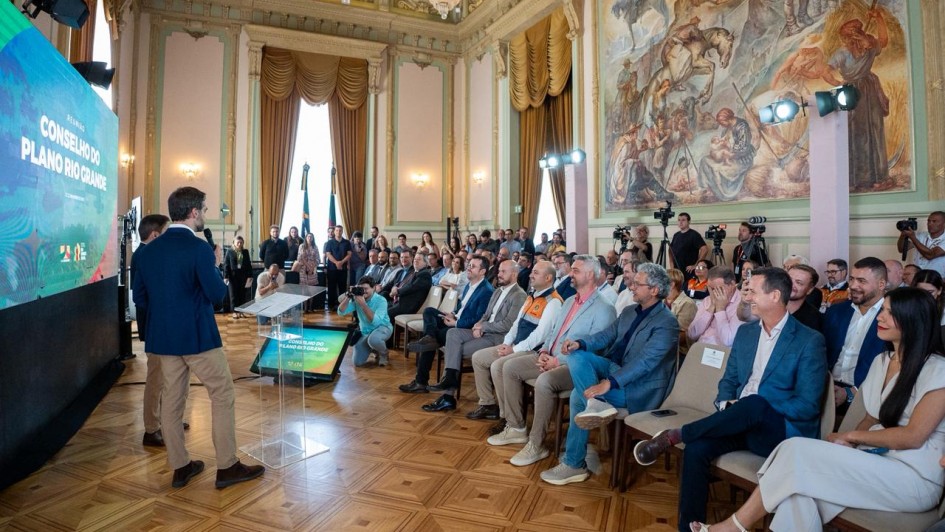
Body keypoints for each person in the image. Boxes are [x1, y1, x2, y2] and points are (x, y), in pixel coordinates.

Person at [691, 287, 945, 532]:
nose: (880, 317)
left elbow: (913, 436)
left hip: (913, 476)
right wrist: (851, 447)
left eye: (890, 312)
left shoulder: (938, 370)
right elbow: (870, 417)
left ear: (913, 320)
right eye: (883, 310)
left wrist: (850, 437)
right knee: (798, 495)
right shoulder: (882, 361)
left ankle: (734, 526)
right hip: (874, 461)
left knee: (795, 449)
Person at [633, 267, 826, 530]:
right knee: (697, 450)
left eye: (753, 292)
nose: (746, 299)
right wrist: (726, 404)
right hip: (738, 421)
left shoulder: (809, 340)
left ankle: (677, 434)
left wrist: (756, 406)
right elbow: (729, 381)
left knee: (755, 402)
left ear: (775, 296)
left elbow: (808, 405)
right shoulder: (747, 333)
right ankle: (690, 527)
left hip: (780, 431)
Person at [132, 186, 264, 489]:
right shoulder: (199, 248)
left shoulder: (148, 251)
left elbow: (140, 296)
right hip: (197, 337)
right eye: (204, 209)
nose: (205, 214)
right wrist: (215, 265)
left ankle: (181, 466)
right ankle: (228, 466)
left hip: (163, 339)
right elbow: (217, 295)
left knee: (172, 401)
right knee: (222, 393)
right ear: (193, 213)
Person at [539, 263, 680, 485]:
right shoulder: (629, 311)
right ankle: (596, 404)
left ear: (654, 290)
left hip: (639, 387)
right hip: (615, 370)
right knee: (577, 355)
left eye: (637, 284)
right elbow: (605, 336)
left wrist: (609, 384)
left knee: (578, 395)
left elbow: (645, 364)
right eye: (632, 283)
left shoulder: (667, 323)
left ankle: (574, 464)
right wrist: (580, 343)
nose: (631, 287)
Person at [487, 255, 617, 467]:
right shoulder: (568, 301)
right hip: (550, 356)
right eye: (571, 270)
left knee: (545, 382)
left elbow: (598, 349)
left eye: (575, 271)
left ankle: (536, 444)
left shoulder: (604, 307)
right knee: (509, 367)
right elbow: (553, 333)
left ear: (590, 275)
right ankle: (516, 427)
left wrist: (558, 361)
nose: (569, 274)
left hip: (574, 366)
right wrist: (545, 351)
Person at [422, 260, 527, 412]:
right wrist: (478, 325)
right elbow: (486, 314)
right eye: (499, 271)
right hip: (483, 331)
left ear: (514, 274)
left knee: (454, 350)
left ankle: (448, 395)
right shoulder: (498, 291)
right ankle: (449, 387)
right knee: (452, 334)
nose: (499, 274)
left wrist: (483, 326)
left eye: (503, 271)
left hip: (498, 338)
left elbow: (508, 325)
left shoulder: (519, 295)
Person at [468, 260, 563, 422]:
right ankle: (488, 404)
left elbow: (540, 335)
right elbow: (516, 324)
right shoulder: (531, 296)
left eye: (536, 273)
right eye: (532, 272)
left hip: (533, 351)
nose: (531, 275)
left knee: (499, 366)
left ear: (548, 278)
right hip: (516, 345)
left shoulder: (553, 301)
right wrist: (507, 343)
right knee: (478, 358)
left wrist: (514, 349)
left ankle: (506, 416)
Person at [399, 256, 494, 393]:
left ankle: (421, 381)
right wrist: (452, 313)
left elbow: (478, 319)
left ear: (482, 271)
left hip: (463, 329)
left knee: (433, 338)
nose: (468, 268)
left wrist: (456, 322)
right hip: (455, 320)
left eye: (473, 266)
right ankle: (429, 338)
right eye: (469, 265)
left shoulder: (486, 291)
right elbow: (462, 307)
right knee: (429, 312)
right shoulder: (469, 285)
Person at [824, 257, 888, 414]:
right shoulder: (836, 312)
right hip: (828, 388)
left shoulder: (892, 318)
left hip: (869, 395)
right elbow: (822, 352)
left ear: (881, 284)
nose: (853, 286)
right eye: (851, 279)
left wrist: (852, 392)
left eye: (861, 281)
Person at [131, 213, 172, 447]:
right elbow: (142, 298)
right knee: (156, 379)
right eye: (166, 233)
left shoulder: (147, 253)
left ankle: (165, 420)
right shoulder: (144, 255)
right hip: (155, 327)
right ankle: (151, 428)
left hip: (159, 326)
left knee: (166, 378)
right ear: (155, 235)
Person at [339, 276, 393, 367]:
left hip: (383, 328)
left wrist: (363, 305)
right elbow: (341, 312)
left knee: (374, 339)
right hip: (366, 332)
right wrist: (348, 296)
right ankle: (375, 350)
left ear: (374, 288)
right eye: (361, 288)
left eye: (366, 289)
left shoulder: (381, 300)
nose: (363, 291)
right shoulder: (357, 298)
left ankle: (384, 353)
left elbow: (376, 322)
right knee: (357, 363)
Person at [687, 265, 744, 347]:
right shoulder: (708, 300)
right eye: (710, 289)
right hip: (700, 350)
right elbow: (692, 334)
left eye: (718, 289)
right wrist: (711, 307)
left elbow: (728, 340)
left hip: (722, 354)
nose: (713, 293)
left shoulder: (742, 303)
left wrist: (720, 309)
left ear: (732, 284)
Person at [386, 252, 434, 321]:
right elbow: (402, 283)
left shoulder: (425, 274)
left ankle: (389, 331)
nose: (415, 261)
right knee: (382, 307)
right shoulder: (415, 272)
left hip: (409, 306)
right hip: (401, 302)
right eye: (415, 259)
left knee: (387, 313)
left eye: (419, 259)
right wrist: (395, 287)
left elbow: (412, 287)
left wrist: (397, 291)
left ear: (426, 263)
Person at [898, 211, 945, 277]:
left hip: (936, 279)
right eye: (928, 221)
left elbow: (930, 255)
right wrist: (903, 235)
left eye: (934, 221)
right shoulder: (921, 235)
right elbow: (902, 249)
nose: (930, 224)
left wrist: (913, 237)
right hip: (918, 277)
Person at [666, 268, 697, 356]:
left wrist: (659, 343)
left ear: (671, 284)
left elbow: (683, 336)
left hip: (679, 352)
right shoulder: (660, 301)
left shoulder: (687, 304)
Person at [670, 212, 708, 281]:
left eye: (683, 220)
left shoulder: (694, 235)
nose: (680, 222)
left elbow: (704, 249)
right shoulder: (676, 235)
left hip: (689, 272)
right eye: (679, 220)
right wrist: (671, 265)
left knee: (688, 291)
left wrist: (696, 265)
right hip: (677, 272)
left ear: (689, 222)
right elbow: (670, 249)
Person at [224, 235, 253, 319]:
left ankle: (241, 311)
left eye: (241, 242)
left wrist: (250, 275)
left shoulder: (245, 252)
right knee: (233, 295)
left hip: (243, 276)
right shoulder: (229, 251)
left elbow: (248, 264)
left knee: (242, 295)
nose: (239, 244)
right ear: (234, 243)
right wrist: (225, 276)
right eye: (238, 242)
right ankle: (235, 312)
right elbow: (226, 264)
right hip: (232, 276)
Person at [324, 225, 352, 309]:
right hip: (332, 268)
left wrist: (341, 262)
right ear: (334, 231)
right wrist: (336, 262)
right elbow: (328, 254)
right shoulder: (329, 242)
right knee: (331, 287)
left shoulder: (347, 242)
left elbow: (349, 254)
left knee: (342, 287)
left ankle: (342, 305)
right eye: (337, 230)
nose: (338, 232)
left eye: (340, 230)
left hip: (342, 268)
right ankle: (331, 305)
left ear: (342, 231)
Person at [294, 233, 321, 312]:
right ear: (305, 238)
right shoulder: (301, 246)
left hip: (313, 270)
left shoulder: (315, 247)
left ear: (313, 238)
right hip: (303, 270)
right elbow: (299, 258)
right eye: (308, 236)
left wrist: (312, 267)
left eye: (311, 237)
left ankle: (311, 307)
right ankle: (305, 307)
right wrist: (307, 266)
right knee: (304, 289)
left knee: (312, 289)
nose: (309, 238)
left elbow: (318, 259)